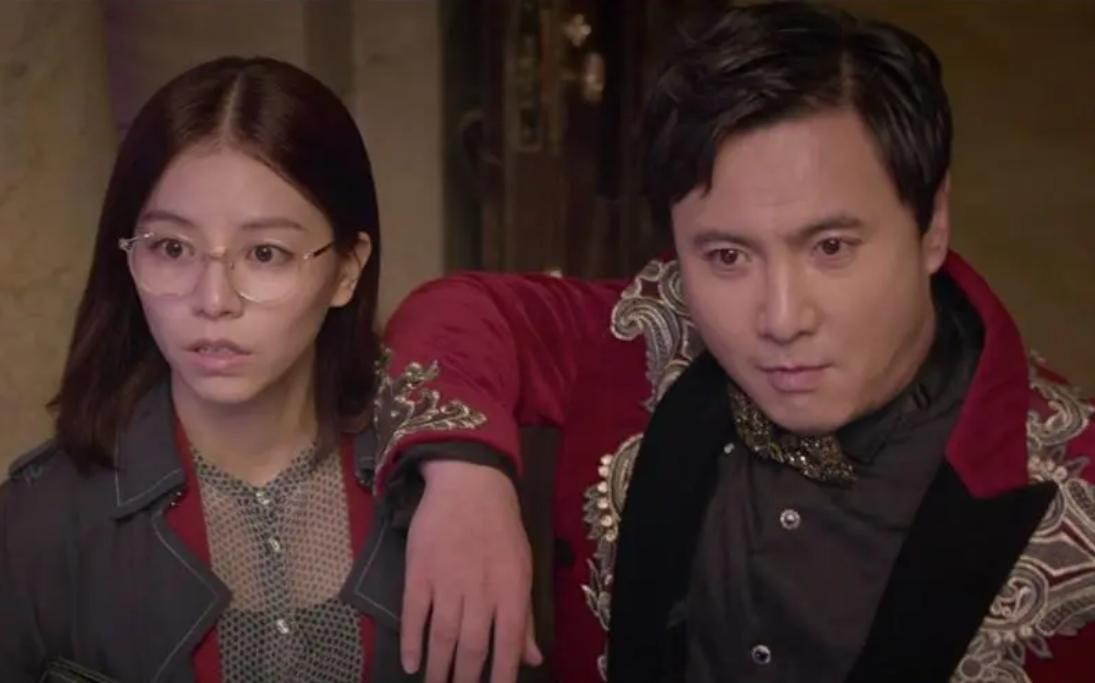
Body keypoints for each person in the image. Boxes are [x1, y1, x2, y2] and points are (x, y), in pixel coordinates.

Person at [378, 3, 1095, 682]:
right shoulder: (649, 334)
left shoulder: (1077, 490)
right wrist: (464, 473)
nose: (781, 318)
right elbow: (459, 311)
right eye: (726, 256)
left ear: (931, 225)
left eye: (831, 247)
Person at [0, 56, 537, 683]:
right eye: (172, 248)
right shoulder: (39, 523)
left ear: (346, 270)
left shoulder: (446, 490)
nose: (214, 299)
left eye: (265, 253)